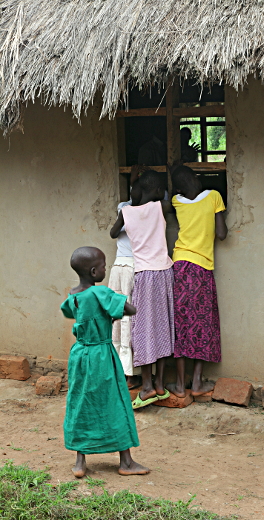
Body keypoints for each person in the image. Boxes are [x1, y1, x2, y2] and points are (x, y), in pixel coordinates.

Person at [60, 246, 149, 478]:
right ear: (93, 272)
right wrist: (114, 301)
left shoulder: (74, 294)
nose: (105, 269)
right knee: (115, 402)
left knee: (81, 402)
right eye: (102, 266)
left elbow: (69, 312)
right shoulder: (100, 293)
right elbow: (131, 309)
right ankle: (126, 463)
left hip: (79, 354)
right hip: (101, 353)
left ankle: (80, 463)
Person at [111, 170, 174, 409]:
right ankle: (160, 384)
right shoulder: (162, 206)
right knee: (164, 328)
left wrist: (127, 208)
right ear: (158, 191)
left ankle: (147, 387)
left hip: (145, 275)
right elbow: (167, 197)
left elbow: (113, 232)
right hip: (165, 273)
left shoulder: (126, 212)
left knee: (144, 331)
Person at [167, 166, 228, 397]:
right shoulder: (214, 196)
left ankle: (181, 386)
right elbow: (221, 234)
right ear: (197, 178)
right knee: (203, 322)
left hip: (180, 264)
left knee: (182, 324)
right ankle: (198, 383)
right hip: (201, 268)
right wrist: (216, 215)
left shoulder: (176, 201)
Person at [109, 179, 142, 390]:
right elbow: (113, 233)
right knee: (115, 318)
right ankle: (117, 368)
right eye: (133, 190)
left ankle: (132, 373)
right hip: (118, 266)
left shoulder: (149, 210)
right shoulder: (124, 207)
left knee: (130, 321)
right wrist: (127, 210)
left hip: (134, 266)